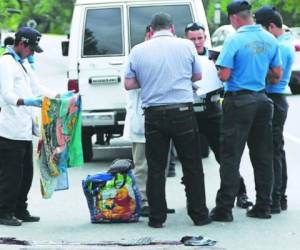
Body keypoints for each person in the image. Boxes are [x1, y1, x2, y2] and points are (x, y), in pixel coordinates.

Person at [124, 12, 211, 228]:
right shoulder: (186, 46)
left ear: (151, 31)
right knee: (192, 165)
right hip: (182, 112)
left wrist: (149, 81)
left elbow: (129, 84)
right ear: (172, 29)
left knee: (156, 167)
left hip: (153, 114)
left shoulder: (137, 50)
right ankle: (199, 215)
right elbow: (197, 76)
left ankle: (156, 217)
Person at [209, 0, 282, 222]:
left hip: (239, 101)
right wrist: (257, 75)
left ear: (233, 18)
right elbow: (276, 74)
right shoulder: (269, 39)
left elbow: (224, 76)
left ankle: (224, 209)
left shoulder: (234, 40)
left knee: (231, 156)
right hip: (262, 100)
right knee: (262, 156)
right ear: (249, 15)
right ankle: (263, 206)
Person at [184, 22, 253, 209]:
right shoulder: (181, 56)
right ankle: (194, 200)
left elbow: (227, 78)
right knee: (190, 160)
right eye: (192, 39)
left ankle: (241, 193)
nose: (197, 42)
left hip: (213, 112)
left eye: (200, 38)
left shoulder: (216, 56)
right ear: (186, 39)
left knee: (225, 157)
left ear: (205, 38)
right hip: (189, 114)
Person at [0, 27, 60, 226]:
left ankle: (20, 209)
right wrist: (27, 101)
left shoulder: (23, 63)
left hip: (24, 130)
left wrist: (57, 96)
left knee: (26, 175)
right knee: (11, 175)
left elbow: (37, 88)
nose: (33, 53)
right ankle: (4, 212)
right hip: (9, 130)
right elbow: (7, 95)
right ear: (22, 44)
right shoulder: (6, 63)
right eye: (32, 48)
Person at [123, 24, 175, 217]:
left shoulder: (160, 56)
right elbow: (129, 84)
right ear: (148, 35)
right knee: (142, 165)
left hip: (160, 119)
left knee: (161, 165)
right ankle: (143, 201)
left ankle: (158, 201)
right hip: (140, 118)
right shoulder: (136, 55)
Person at [255, 6, 295, 213]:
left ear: (271, 26)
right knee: (275, 150)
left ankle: (276, 198)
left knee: (272, 151)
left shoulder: (279, 46)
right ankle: (279, 197)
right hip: (278, 98)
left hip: (275, 97)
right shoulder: (282, 42)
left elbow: (273, 76)